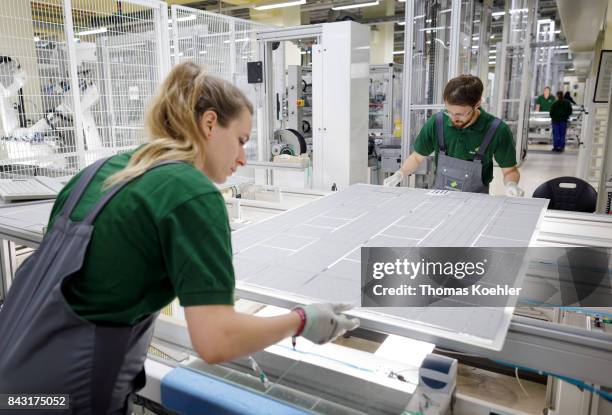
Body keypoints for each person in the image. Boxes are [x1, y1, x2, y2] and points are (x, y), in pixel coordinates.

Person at [0, 61, 359, 413]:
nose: (242, 159)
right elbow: (216, 341)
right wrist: (303, 320)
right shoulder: (192, 194)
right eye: (241, 141)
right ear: (209, 123)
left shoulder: (99, 172)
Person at [383, 75, 524, 196]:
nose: (453, 118)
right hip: (440, 197)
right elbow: (416, 157)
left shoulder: (497, 130)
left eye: (460, 114)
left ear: (477, 104)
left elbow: (510, 170)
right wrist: (399, 174)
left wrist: (511, 184)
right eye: (449, 111)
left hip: (477, 201)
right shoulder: (437, 123)